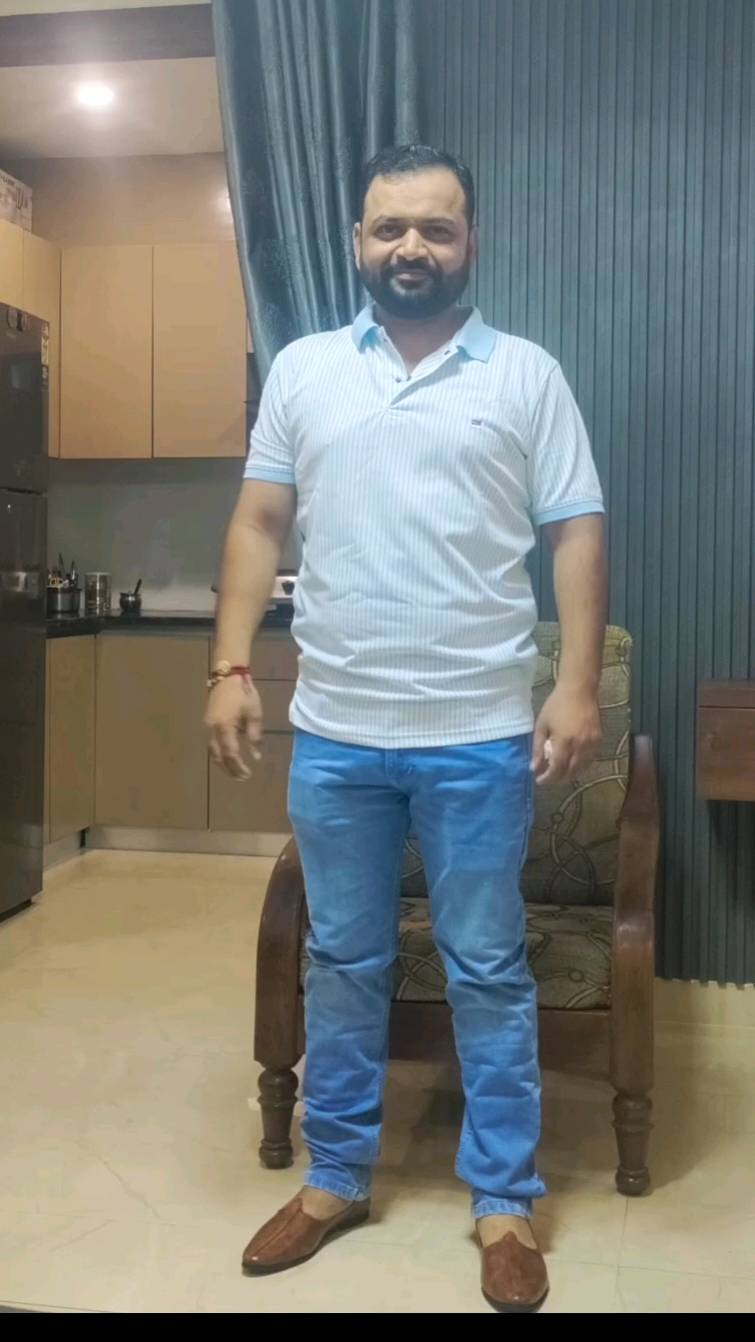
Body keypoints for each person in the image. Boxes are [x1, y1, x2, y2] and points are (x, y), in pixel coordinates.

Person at [206, 144, 606, 1312]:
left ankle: (503, 1199)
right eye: (389, 228)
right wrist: (229, 663)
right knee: (342, 961)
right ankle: (334, 1176)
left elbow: (575, 531)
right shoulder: (304, 370)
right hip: (335, 734)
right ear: (357, 243)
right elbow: (257, 522)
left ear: (469, 240)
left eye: (434, 227)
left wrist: (575, 684)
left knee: (484, 965)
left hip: (477, 731)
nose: (411, 247)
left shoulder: (524, 374)